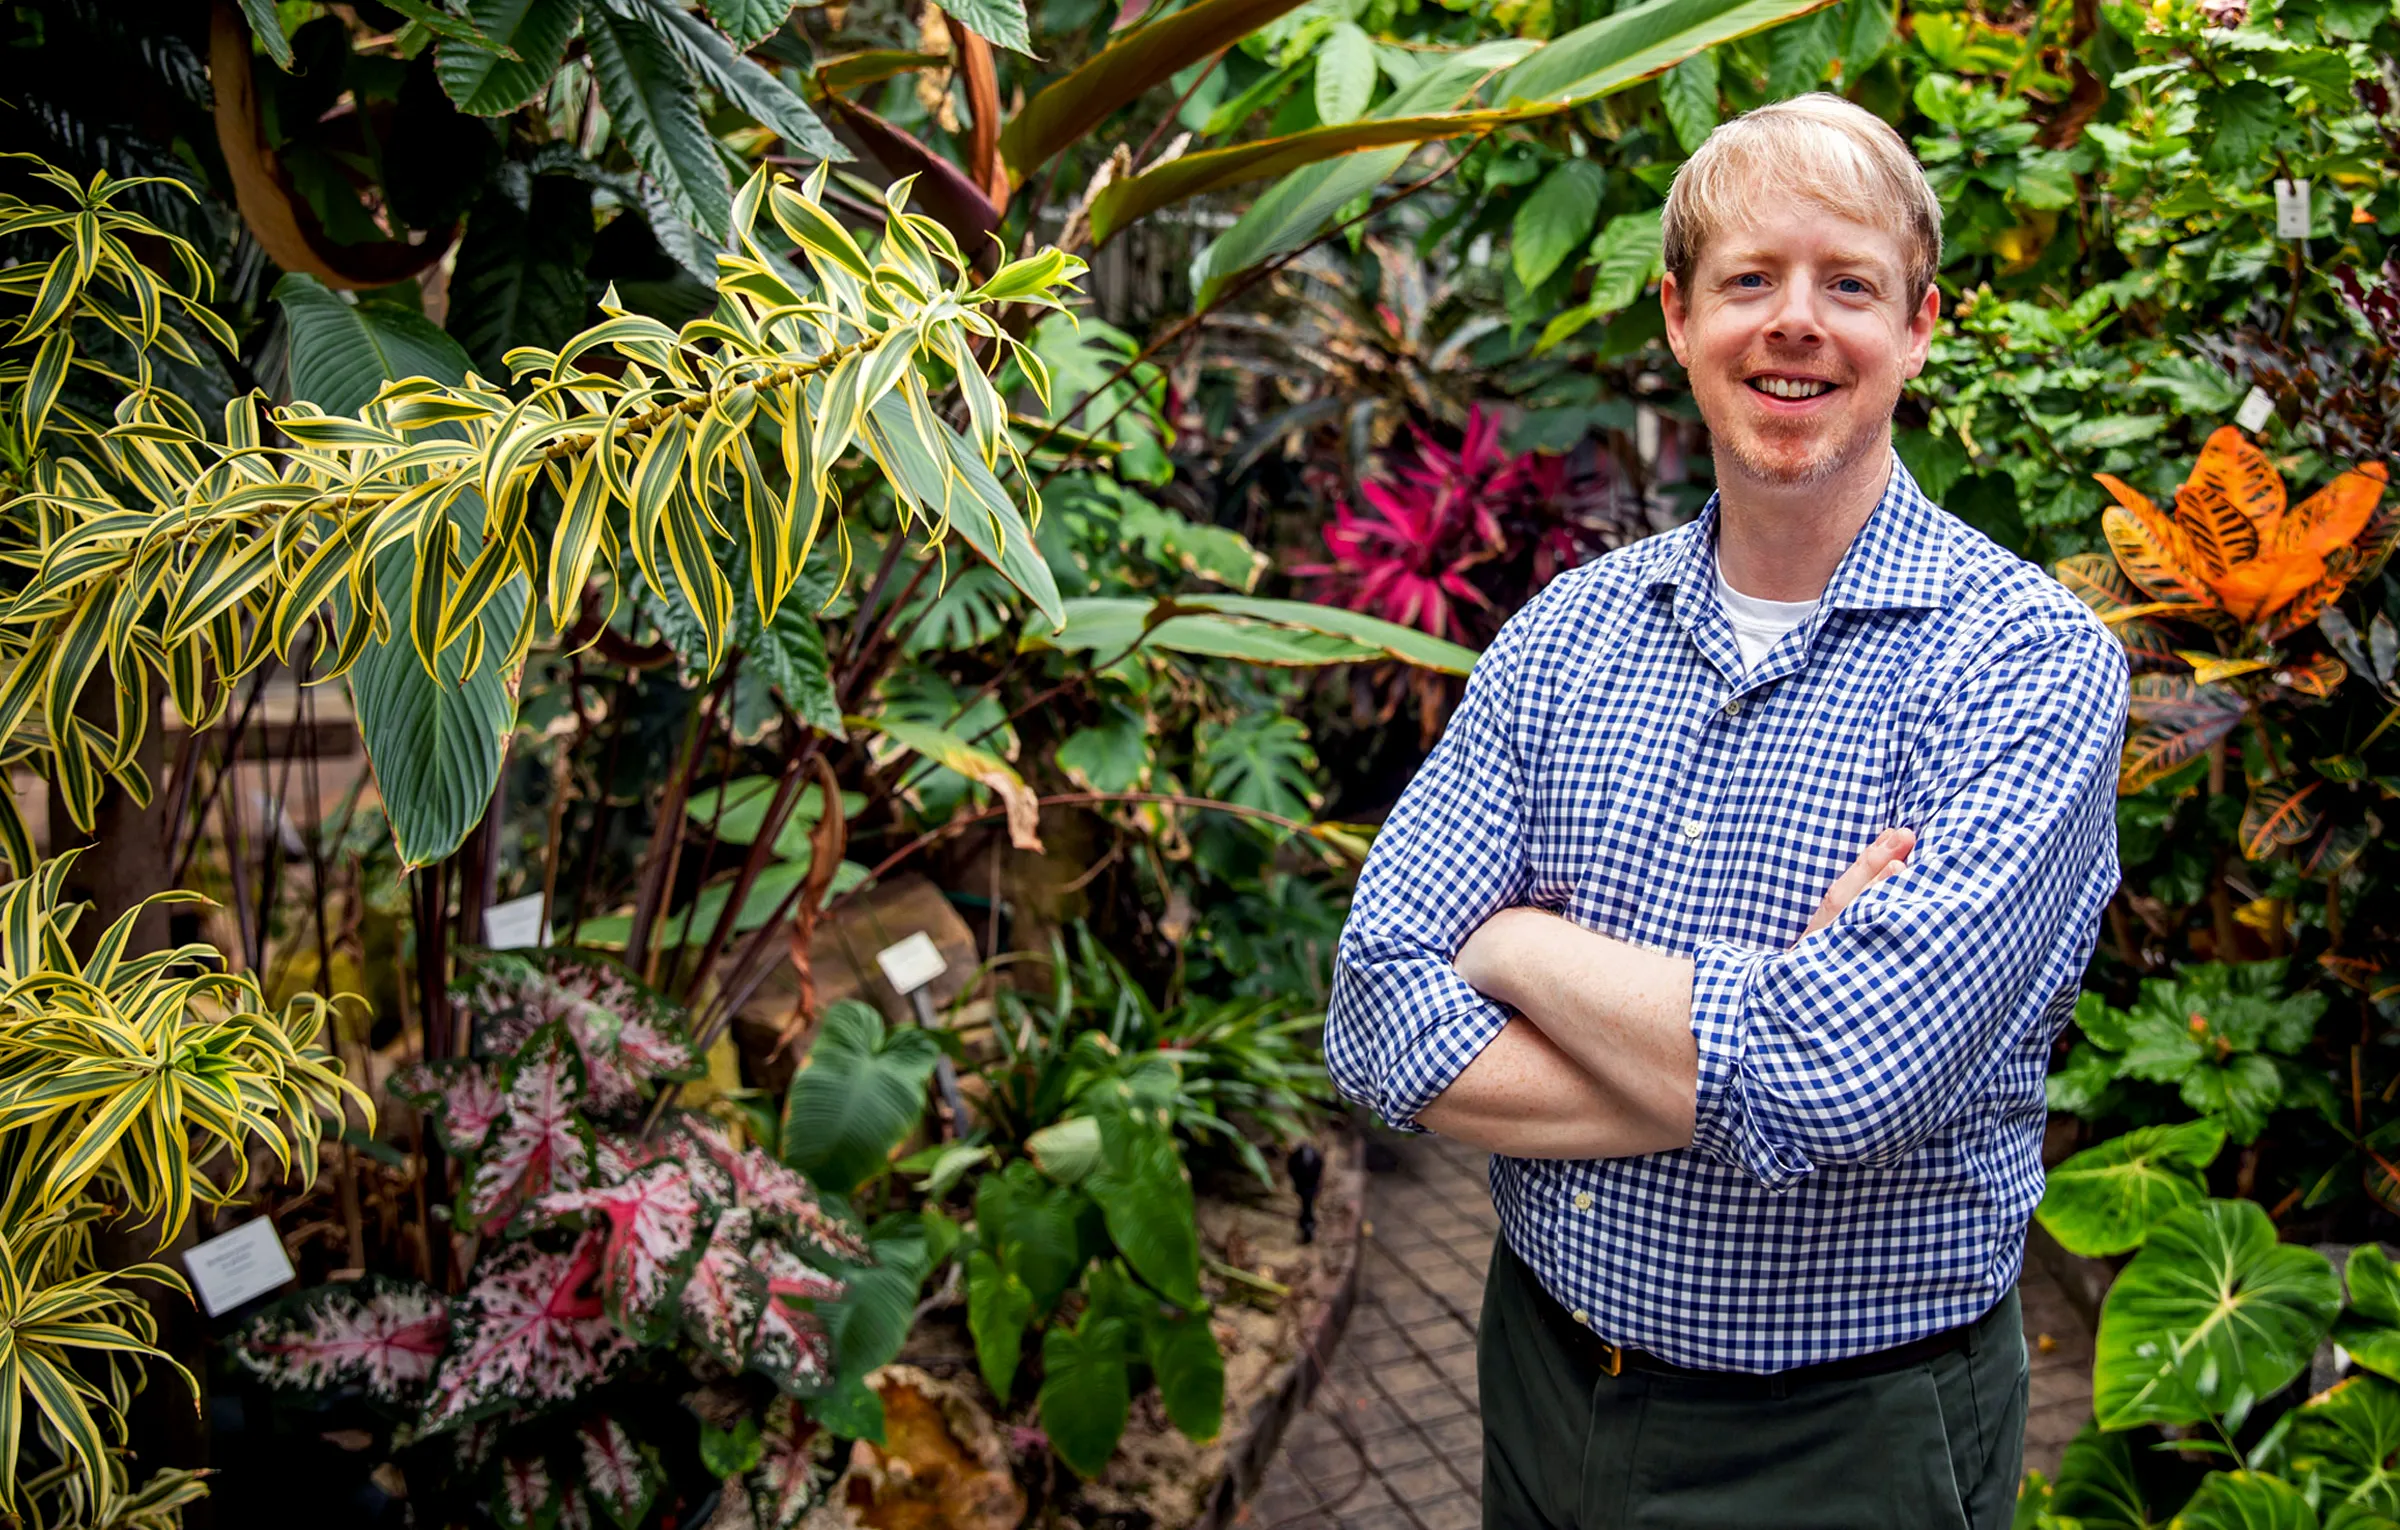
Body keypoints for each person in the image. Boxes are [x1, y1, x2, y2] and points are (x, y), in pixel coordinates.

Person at [1323, 93, 2128, 1530]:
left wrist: (1512, 950)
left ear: (1920, 325)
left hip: (1847, 1438)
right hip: (1538, 1378)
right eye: (1751, 279)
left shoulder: (2027, 663)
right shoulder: (1567, 634)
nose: (1795, 323)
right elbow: (1378, 1014)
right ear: (1681, 318)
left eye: (1850, 284)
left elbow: (1834, 1077)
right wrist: (1758, 1029)